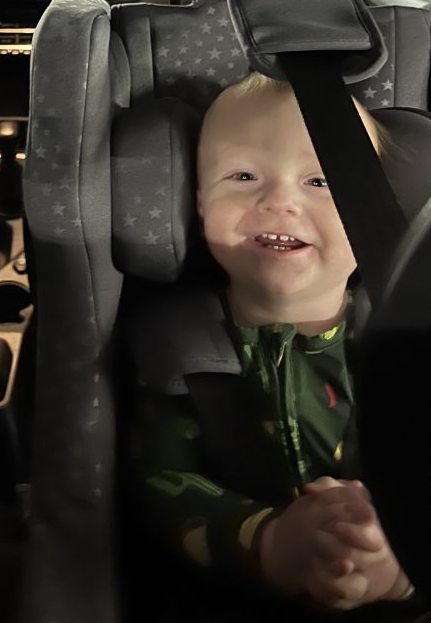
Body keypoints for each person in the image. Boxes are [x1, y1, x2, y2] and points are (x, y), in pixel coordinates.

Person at [131, 72, 417, 617]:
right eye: (243, 175)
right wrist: (269, 542)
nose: (280, 199)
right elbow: (158, 488)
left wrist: (401, 565)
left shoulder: (409, 344)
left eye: (321, 181)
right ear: (197, 203)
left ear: (371, 207)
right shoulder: (173, 349)